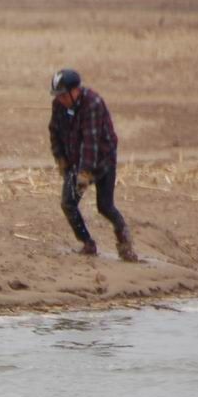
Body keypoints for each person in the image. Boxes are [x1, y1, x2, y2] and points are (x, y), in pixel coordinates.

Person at [48, 69, 137, 261]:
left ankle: (124, 239)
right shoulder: (59, 105)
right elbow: (54, 132)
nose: (60, 99)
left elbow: (91, 141)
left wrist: (86, 172)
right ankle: (87, 243)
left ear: (76, 90)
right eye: (58, 95)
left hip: (102, 161)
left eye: (63, 95)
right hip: (76, 161)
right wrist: (60, 158)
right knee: (68, 204)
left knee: (105, 206)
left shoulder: (93, 104)